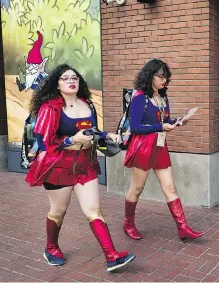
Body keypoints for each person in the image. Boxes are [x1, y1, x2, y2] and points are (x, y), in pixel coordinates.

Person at [25, 64, 136, 272]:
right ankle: (51, 247)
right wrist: (69, 140)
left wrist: (106, 135)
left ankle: (111, 256)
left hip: (85, 164)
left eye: (74, 77)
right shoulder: (50, 108)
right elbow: (44, 142)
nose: (71, 81)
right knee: (58, 211)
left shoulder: (86, 104)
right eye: (65, 78)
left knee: (94, 210)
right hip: (58, 166)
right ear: (57, 84)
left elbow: (91, 130)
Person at [122, 59, 203, 241]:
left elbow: (164, 121)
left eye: (166, 77)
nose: (164, 80)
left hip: (159, 147)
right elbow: (135, 127)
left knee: (170, 188)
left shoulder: (162, 97)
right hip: (143, 147)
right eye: (160, 76)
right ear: (149, 76)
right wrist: (160, 127)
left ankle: (183, 228)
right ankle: (128, 224)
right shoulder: (140, 97)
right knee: (137, 188)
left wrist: (177, 121)